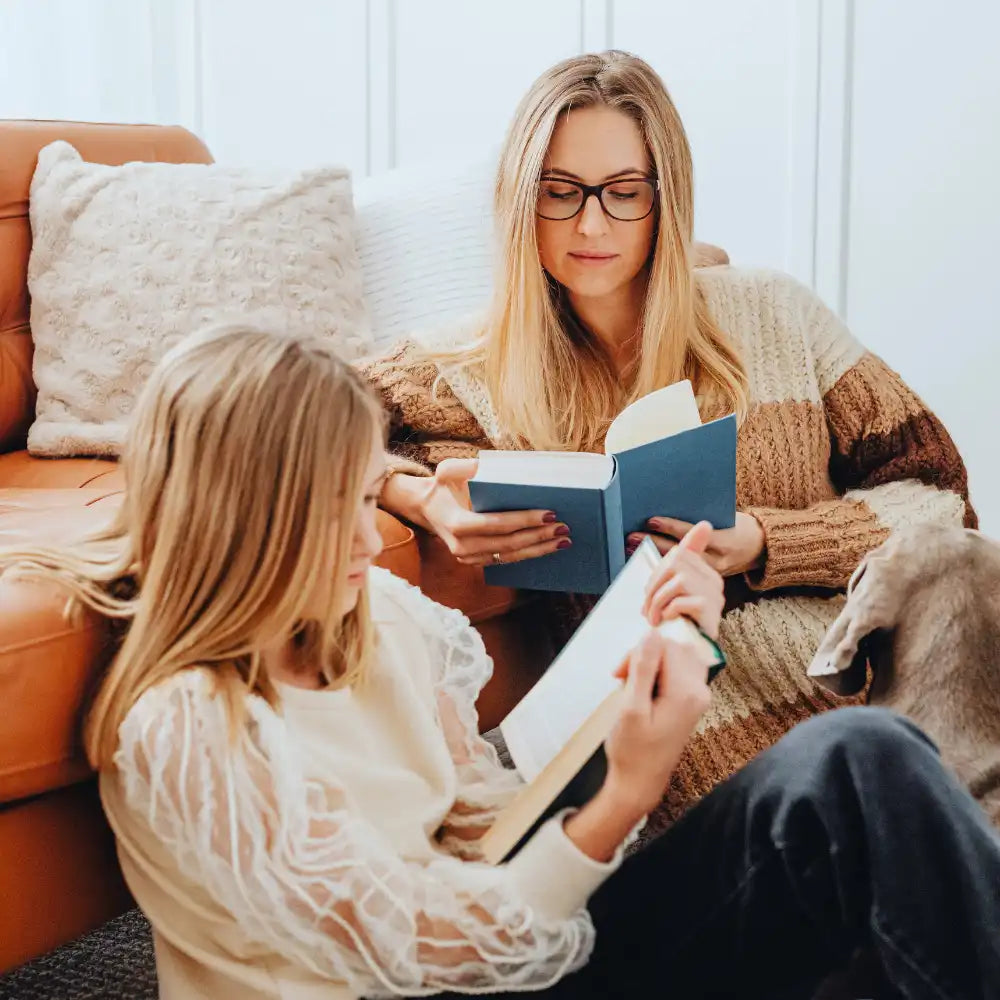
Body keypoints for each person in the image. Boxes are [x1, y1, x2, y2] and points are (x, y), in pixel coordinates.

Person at [2, 324, 996, 999]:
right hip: (451, 972)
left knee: (857, 760)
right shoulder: (186, 730)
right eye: (337, 506)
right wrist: (626, 792)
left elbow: (487, 818)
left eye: (367, 492)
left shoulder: (370, 615)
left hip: (516, 952)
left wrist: (634, 673)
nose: (368, 533)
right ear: (246, 522)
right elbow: (426, 950)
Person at [360, 50, 976, 823]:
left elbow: (940, 502)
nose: (591, 223)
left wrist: (762, 542)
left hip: (887, 689)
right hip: (720, 757)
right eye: (560, 193)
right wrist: (420, 497)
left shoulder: (772, 312)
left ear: (666, 199)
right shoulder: (464, 369)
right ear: (521, 200)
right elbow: (292, 416)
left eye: (623, 193)